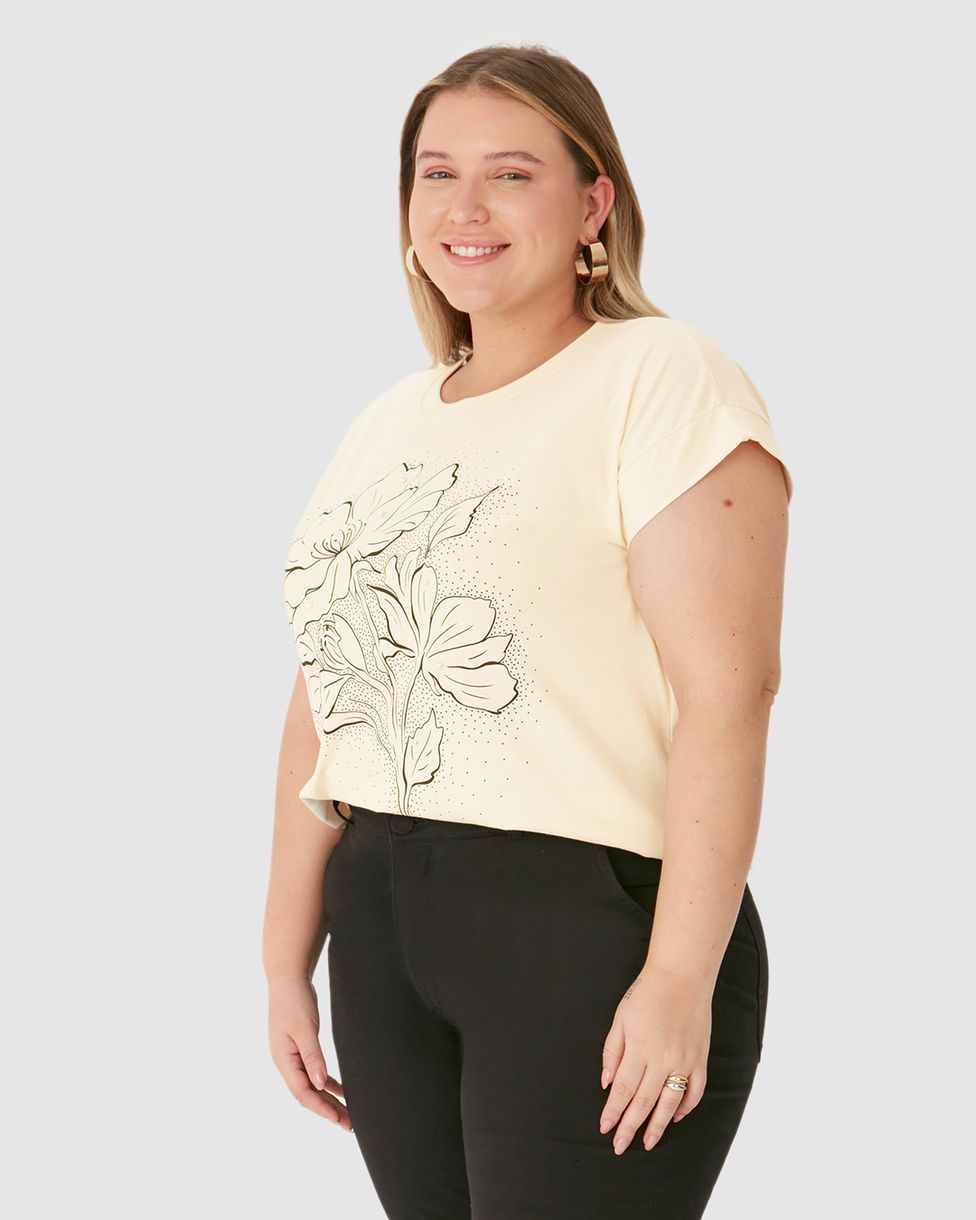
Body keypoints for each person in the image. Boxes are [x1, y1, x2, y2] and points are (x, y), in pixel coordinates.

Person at [263, 42, 793, 1220]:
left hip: (580, 924)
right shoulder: (386, 420)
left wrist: (678, 972)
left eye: (510, 173)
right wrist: (283, 956)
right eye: (436, 172)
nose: (464, 208)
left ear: (593, 202)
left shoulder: (660, 375)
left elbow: (730, 689)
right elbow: (325, 696)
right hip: (380, 914)